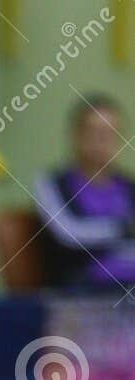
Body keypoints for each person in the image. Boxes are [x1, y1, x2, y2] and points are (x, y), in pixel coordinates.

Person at [35, 95, 135, 291]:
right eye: (95, 132)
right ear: (75, 135)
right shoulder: (52, 183)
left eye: (110, 133)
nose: (102, 141)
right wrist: (124, 230)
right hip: (79, 289)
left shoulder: (128, 186)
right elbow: (69, 234)